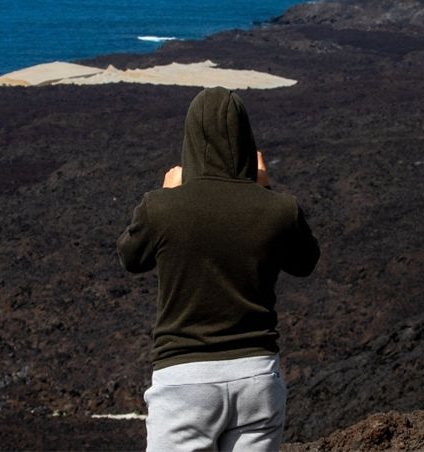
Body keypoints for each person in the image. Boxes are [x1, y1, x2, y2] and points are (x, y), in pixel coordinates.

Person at [117, 87, 320, 451]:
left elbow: (131, 257)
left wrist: (164, 193)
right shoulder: (279, 209)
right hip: (258, 376)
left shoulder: (160, 209)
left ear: (190, 139)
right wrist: (265, 187)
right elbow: (305, 262)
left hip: (185, 380)